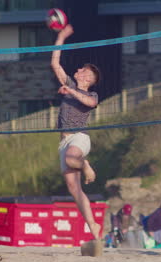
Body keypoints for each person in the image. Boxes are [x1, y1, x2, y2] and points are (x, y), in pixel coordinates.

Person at [51, 24, 102, 242]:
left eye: (84, 70)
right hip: (63, 143)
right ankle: (94, 230)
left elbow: (89, 102)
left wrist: (70, 90)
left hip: (80, 138)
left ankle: (86, 165)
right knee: (75, 190)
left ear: (87, 79)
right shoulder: (70, 83)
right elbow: (55, 63)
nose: (79, 70)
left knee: (74, 159)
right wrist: (61, 36)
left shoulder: (91, 94)